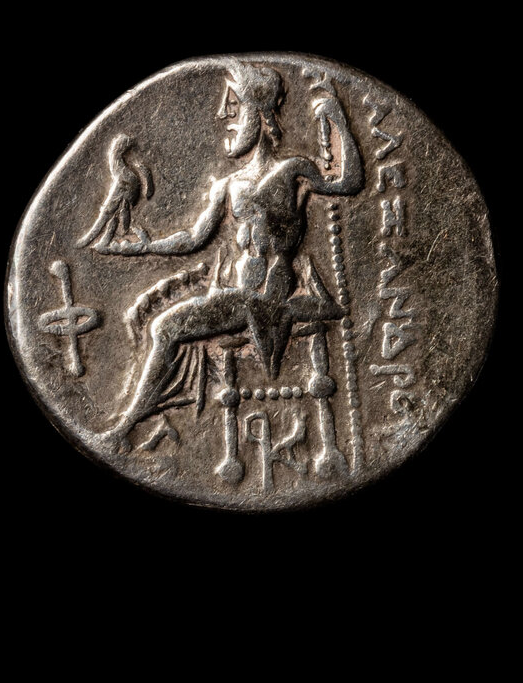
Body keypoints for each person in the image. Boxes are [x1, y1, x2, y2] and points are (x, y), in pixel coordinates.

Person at [95, 61, 364, 442]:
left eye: (234, 108)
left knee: (163, 328)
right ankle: (132, 425)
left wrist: (338, 119)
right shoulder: (228, 184)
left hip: (269, 295)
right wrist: (147, 246)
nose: (226, 116)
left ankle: (125, 428)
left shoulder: (294, 170)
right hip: (236, 295)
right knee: (163, 327)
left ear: (260, 112)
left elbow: (348, 183)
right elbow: (194, 237)